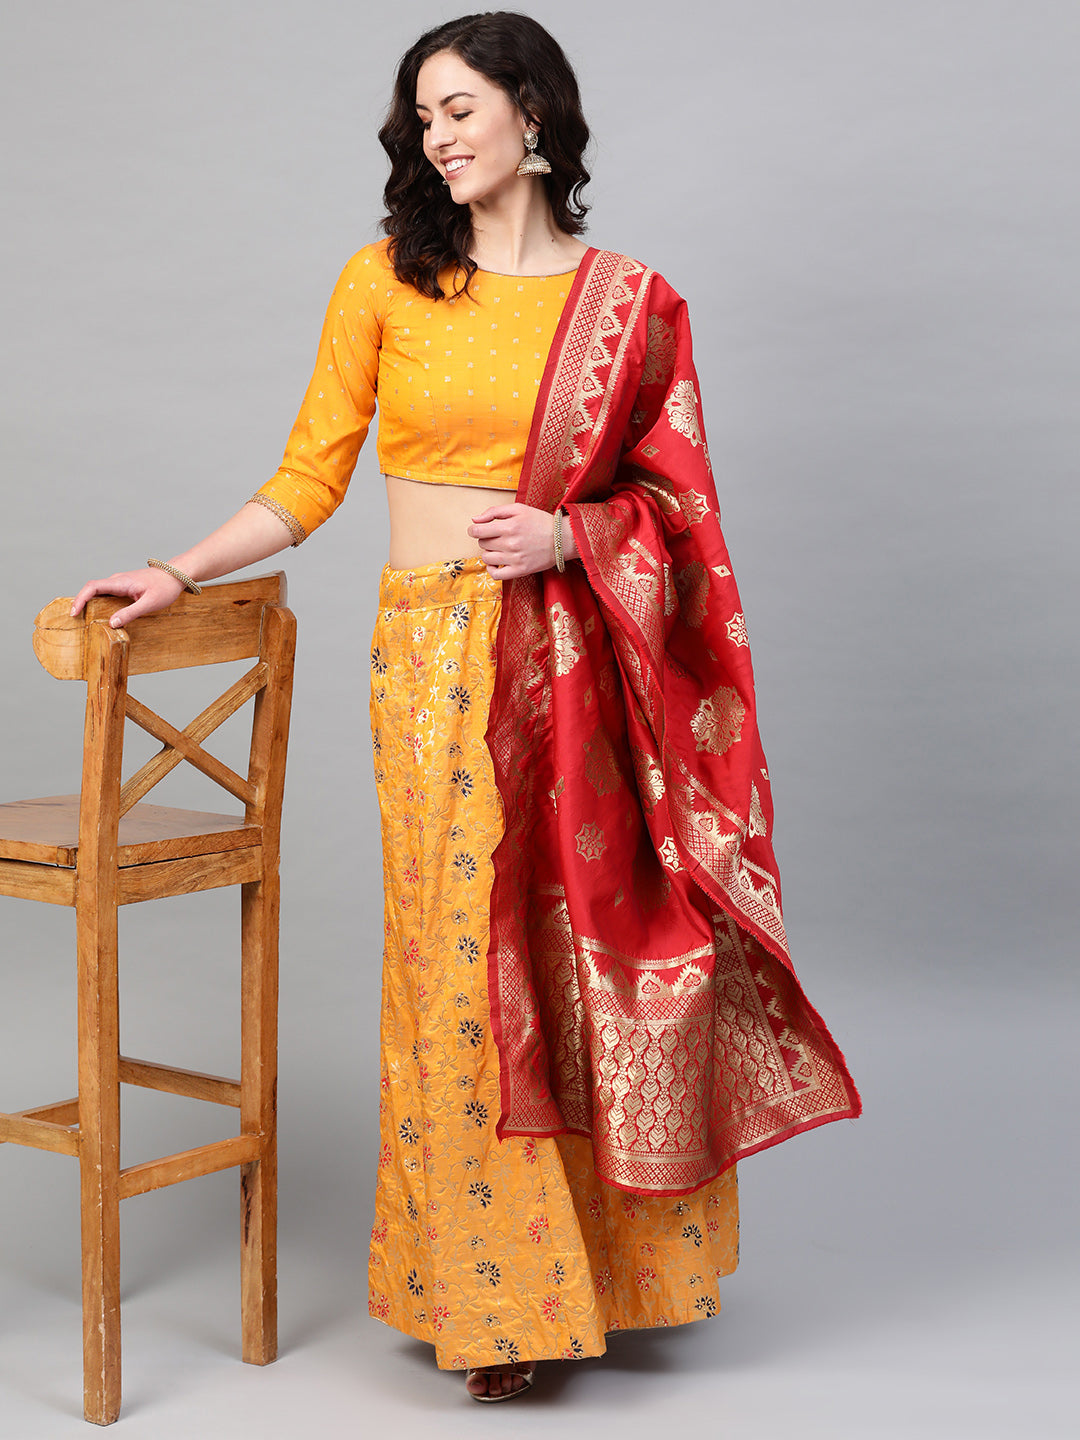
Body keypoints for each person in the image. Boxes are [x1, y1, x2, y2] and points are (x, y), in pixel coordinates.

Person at [72, 11, 860, 1404]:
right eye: (421, 117)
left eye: (458, 108)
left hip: (579, 658)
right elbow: (309, 478)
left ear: (531, 112)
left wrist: (574, 540)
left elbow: (684, 515)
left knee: (580, 952)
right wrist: (178, 568)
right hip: (433, 664)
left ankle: (614, 1276)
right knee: (458, 963)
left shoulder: (632, 302)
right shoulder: (385, 280)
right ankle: (497, 1300)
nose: (437, 137)